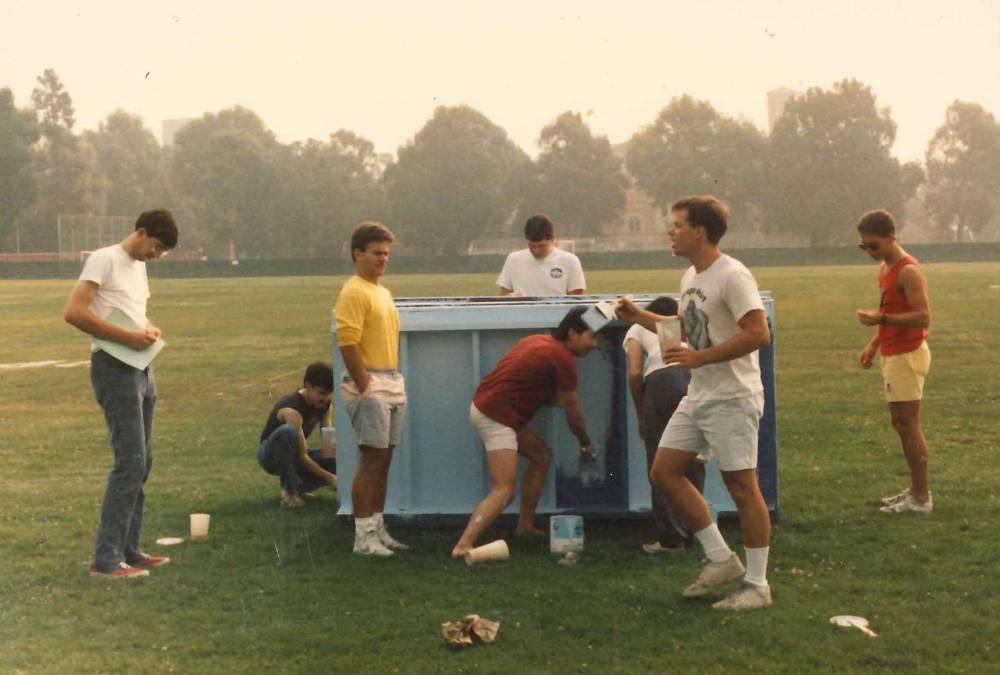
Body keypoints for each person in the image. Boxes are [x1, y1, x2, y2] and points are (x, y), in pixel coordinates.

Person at [616, 195, 773, 610]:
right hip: (699, 393)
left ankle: (757, 586)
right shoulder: (691, 276)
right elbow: (688, 325)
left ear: (700, 231)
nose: (670, 231)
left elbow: (758, 333)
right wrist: (638, 317)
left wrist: (699, 357)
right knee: (664, 472)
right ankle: (721, 558)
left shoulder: (732, 275)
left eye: (678, 225)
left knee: (743, 488)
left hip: (733, 397)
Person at [63, 209, 179, 578]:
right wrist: (131, 337)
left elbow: (131, 313)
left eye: (161, 252)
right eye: (155, 247)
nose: (155, 256)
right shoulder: (104, 259)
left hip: (143, 366)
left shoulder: (139, 268)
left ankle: (129, 547)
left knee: (143, 462)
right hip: (114, 370)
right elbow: (74, 312)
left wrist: (148, 329)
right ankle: (106, 559)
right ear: (141, 231)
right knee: (129, 461)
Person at [451, 306, 599, 558]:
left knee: (541, 456)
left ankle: (525, 526)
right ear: (573, 333)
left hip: (489, 407)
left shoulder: (537, 341)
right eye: (591, 336)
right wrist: (585, 443)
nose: (594, 344)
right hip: (497, 417)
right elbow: (574, 416)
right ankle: (463, 545)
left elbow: (526, 381)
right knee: (503, 490)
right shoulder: (563, 360)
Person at [335, 222, 409, 556]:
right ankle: (363, 536)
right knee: (371, 460)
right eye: (376, 253)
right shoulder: (353, 291)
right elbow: (348, 344)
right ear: (357, 254)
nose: (383, 259)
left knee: (384, 460)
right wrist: (367, 387)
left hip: (391, 381)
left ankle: (377, 527)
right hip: (372, 385)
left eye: (386, 254)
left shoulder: (382, 291)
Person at [855, 209, 933, 514]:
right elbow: (890, 310)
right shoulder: (886, 268)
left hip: (907, 355)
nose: (870, 252)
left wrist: (880, 319)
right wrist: (874, 343)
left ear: (892, 237)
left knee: (908, 425)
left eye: (874, 246)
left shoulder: (907, 270)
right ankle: (915, 490)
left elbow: (923, 316)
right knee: (901, 423)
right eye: (864, 247)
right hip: (893, 353)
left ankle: (921, 498)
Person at [623, 296, 705, 553]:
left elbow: (635, 373)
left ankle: (671, 539)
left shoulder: (637, 327)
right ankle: (698, 531)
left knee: (660, 462)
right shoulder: (684, 325)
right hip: (695, 378)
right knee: (693, 459)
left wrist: (639, 414)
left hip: (661, 383)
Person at [257, 362, 338, 507]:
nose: (326, 398)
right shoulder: (293, 409)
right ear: (308, 385)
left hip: (295, 453)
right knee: (288, 432)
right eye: (322, 393)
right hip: (271, 455)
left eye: (329, 394)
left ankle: (301, 487)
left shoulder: (325, 405)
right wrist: (330, 478)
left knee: (339, 457)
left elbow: (328, 448)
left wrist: (339, 464)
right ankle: (289, 493)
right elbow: (303, 456)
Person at [497, 214, 586, 296]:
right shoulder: (513, 259)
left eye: (541, 246)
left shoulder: (570, 261)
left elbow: (574, 300)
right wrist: (509, 298)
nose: (536, 251)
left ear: (552, 239)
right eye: (532, 246)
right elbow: (504, 295)